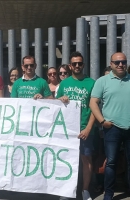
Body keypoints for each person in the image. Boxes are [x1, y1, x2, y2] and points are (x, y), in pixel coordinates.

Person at [90, 52, 130, 200]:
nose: (121, 65)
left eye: (123, 62)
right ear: (111, 64)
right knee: (111, 162)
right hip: (111, 128)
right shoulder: (102, 81)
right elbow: (93, 102)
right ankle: (108, 194)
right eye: (117, 62)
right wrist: (102, 121)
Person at [56, 51, 95, 200]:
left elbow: (94, 108)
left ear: (83, 65)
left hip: (84, 128)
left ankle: (85, 190)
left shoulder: (92, 83)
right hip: (67, 130)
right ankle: (67, 191)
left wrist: (88, 128)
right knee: (65, 160)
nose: (77, 66)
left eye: (80, 63)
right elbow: (57, 106)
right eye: (74, 64)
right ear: (70, 66)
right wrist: (61, 98)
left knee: (86, 160)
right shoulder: (64, 84)